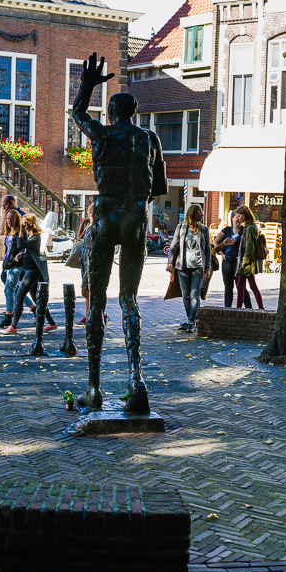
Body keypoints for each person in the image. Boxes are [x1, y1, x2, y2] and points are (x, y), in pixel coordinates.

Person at [72, 53, 167, 414]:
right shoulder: (150, 139)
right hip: (137, 218)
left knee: (97, 301)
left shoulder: (103, 133)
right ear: (135, 114)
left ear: (112, 114)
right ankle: (136, 380)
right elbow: (157, 186)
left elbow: (78, 115)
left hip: (107, 214)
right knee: (129, 299)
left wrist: (86, 87)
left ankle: (94, 388)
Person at [1, 214, 58, 334]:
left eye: (25, 223)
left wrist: (21, 230)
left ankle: (13, 326)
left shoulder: (35, 237)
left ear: (31, 224)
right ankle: (52, 323)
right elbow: (28, 250)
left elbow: (20, 244)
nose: (23, 225)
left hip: (32, 271)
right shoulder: (32, 236)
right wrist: (24, 254)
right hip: (28, 270)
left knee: (19, 296)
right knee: (37, 299)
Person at [167, 203, 212, 332]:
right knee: (186, 295)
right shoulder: (181, 228)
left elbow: (208, 250)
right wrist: (170, 263)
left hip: (198, 267)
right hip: (183, 267)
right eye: (199, 212)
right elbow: (174, 246)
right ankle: (190, 319)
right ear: (192, 213)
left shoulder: (203, 229)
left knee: (194, 295)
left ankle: (192, 321)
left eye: (202, 212)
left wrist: (207, 268)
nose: (202, 214)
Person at [0, 208, 34, 328]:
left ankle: (8, 317)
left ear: (17, 219)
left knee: (9, 291)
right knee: (17, 290)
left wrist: (21, 254)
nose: (9, 221)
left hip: (16, 266)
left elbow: (25, 246)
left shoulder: (20, 232)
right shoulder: (9, 232)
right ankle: (34, 309)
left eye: (12, 218)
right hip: (7, 265)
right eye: (8, 219)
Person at [75, 201, 106, 325]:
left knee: (86, 291)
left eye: (94, 213)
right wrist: (83, 223)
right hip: (84, 263)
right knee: (88, 290)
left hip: (92, 263)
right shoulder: (89, 227)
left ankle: (96, 313)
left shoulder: (99, 228)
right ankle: (89, 315)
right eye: (90, 213)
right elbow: (79, 237)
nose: (92, 215)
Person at [235, 205, 264, 309]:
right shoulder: (248, 226)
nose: (238, 218)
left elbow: (249, 248)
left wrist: (244, 262)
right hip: (247, 262)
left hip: (248, 263)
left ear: (245, 215)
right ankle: (240, 308)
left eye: (240, 215)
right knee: (243, 285)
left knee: (248, 286)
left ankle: (260, 308)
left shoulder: (251, 228)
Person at [213, 209, 242, 308]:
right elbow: (215, 242)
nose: (239, 219)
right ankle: (227, 308)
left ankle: (247, 308)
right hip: (227, 262)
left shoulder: (244, 230)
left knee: (240, 286)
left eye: (241, 216)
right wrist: (221, 253)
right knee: (228, 287)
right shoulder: (227, 230)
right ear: (232, 218)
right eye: (237, 216)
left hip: (238, 263)